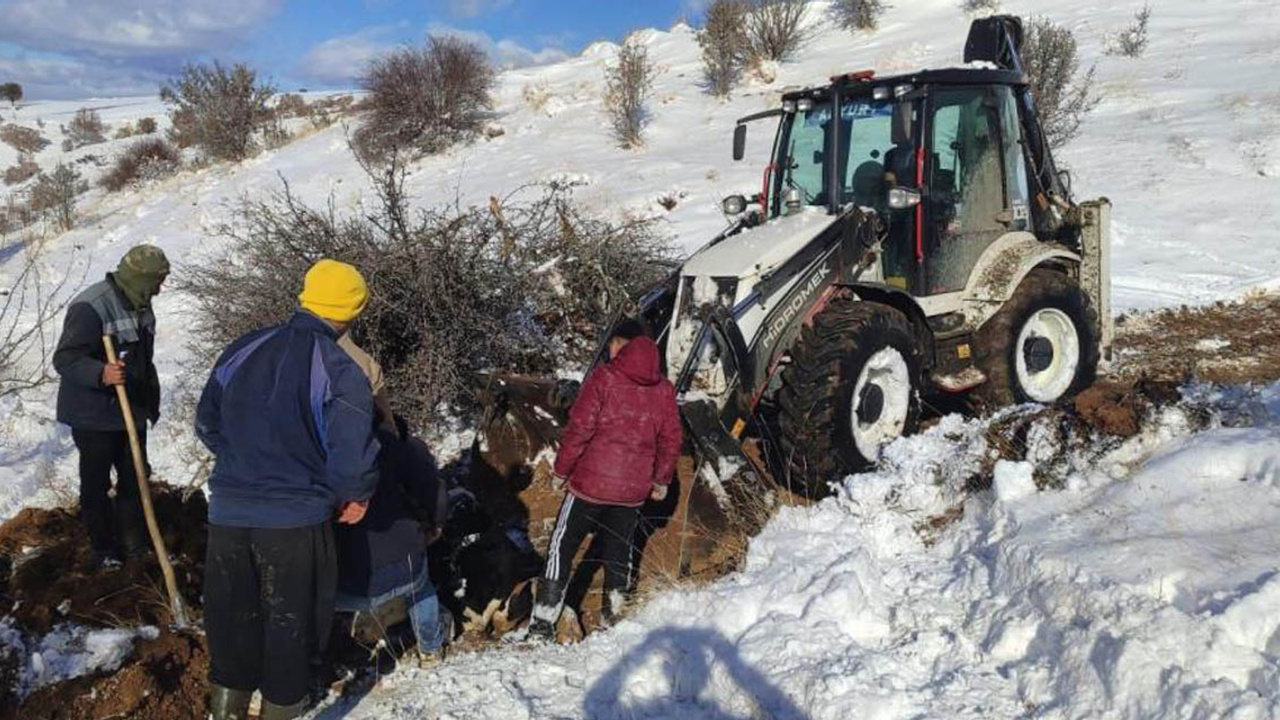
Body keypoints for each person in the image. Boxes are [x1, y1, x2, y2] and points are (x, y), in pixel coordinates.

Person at [195, 259, 380, 720]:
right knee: (291, 624)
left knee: (230, 620)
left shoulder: (242, 348)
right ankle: (281, 709)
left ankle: (225, 713)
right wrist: (353, 494)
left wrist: (242, 465)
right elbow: (353, 453)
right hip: (296, 521)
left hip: (228, 515)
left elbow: (207, 423)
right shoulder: (340, 368)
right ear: (352, 312)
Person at [529, 319, 682, 639]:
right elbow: (670, 440)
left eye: (614, 343)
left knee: (562, 545)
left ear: (623, 345)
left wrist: (561, 470)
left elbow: (579, 429)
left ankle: (542, 624)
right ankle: (614, 620)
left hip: (590, 487)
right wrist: (660, 481)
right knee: (619, 550)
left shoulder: (604, 378)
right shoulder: (663, 389)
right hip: (631, 492)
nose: (610, 349)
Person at [53, 244, 169, 570]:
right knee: (97, 484)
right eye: (158, 280)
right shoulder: (91, 307)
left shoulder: (141, 305)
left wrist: (149, 402)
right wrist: (100, 372)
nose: (161, 287)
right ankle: (103, 550)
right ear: (141, 279)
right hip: (93, 413)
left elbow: (144, 361)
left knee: (135, 479)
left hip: (130, 410)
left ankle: (134, 548)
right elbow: (65, 358)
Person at [334, 424, 451, 667]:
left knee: (310, 596)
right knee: (422, 588)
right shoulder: (401, 445)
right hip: (403, 569)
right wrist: (435, 524)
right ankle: (430, 649)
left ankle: (318, 655)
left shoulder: (313, 446)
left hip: (341, 585)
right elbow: (434, 492)